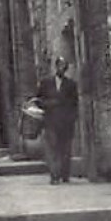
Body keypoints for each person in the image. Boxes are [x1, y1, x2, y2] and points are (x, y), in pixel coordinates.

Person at [36, 55, 78, 184]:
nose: (61, 69)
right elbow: (38, 101)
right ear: (56, 67)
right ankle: (54, 175)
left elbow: (74, 103)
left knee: (65, 149)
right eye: (59, 66)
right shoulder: (45, 83)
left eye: (64, 67)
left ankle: (64, 174)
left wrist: (72, 118)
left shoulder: (71, 84)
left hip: (66, 122)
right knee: (52, 149)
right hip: (51, 121)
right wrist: (49, 104)